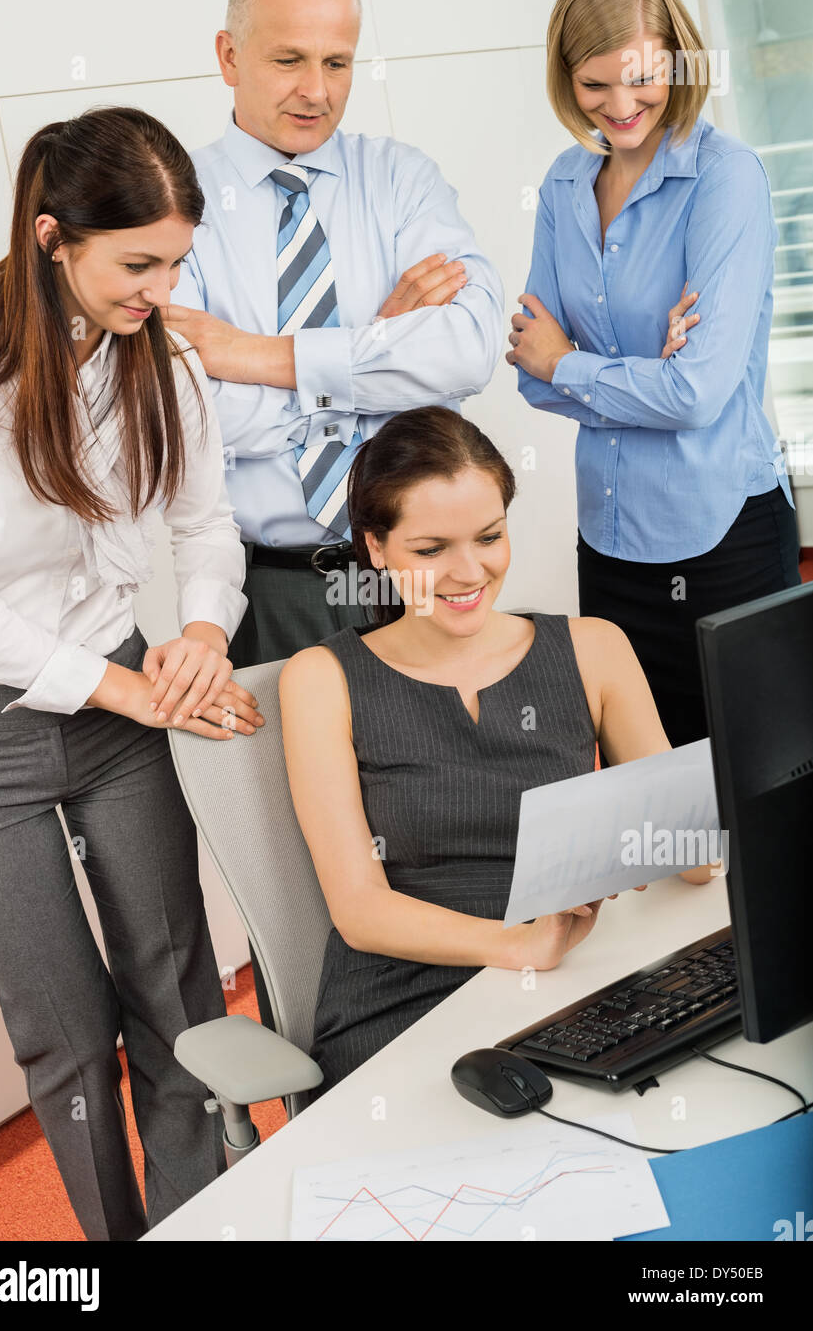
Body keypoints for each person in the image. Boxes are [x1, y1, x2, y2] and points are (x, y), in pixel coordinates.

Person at [0, 107, 264, 1241]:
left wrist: (201, 634)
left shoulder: (163, 357)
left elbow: (208, 523)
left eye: (176, 261)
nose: (160, 288)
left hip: (129, 706)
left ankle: (202, 1225)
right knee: (65, 1028)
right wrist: (134, 686)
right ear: (51, 239)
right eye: (138, 263)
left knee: (176, 994)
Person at [279, 407, 712, 1096]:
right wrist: (513, 946)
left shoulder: (594, 647)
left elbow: (689, 861)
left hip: (573, 973)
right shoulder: (320, 679)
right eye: (430, 550)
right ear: (376, 548)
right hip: (406, 994)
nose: (468, 571)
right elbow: (359, 911)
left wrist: (669, 839)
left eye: (489, 536)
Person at [163, 0, 504, 667]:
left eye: (337, 63)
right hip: (271, 586)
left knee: (434, 779)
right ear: (229, 56)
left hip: (415, 577)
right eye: (289, 59)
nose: (315, 91)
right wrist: (377, 351)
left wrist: (257, 357)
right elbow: (191, 416)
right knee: (289, 782)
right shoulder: (171, 203)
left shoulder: (401, 180)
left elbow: (467, 351)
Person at [506, 0, 801, 751]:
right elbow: (529, 376)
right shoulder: (565, 184)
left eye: (640, 78)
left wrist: (573, 362)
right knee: (652, 801)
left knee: (758, 797)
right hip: (607, 542)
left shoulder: (724, 178)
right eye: (593, 84)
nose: (620, 105)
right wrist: (646, 374)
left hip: (723, 540)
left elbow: (697, 396)